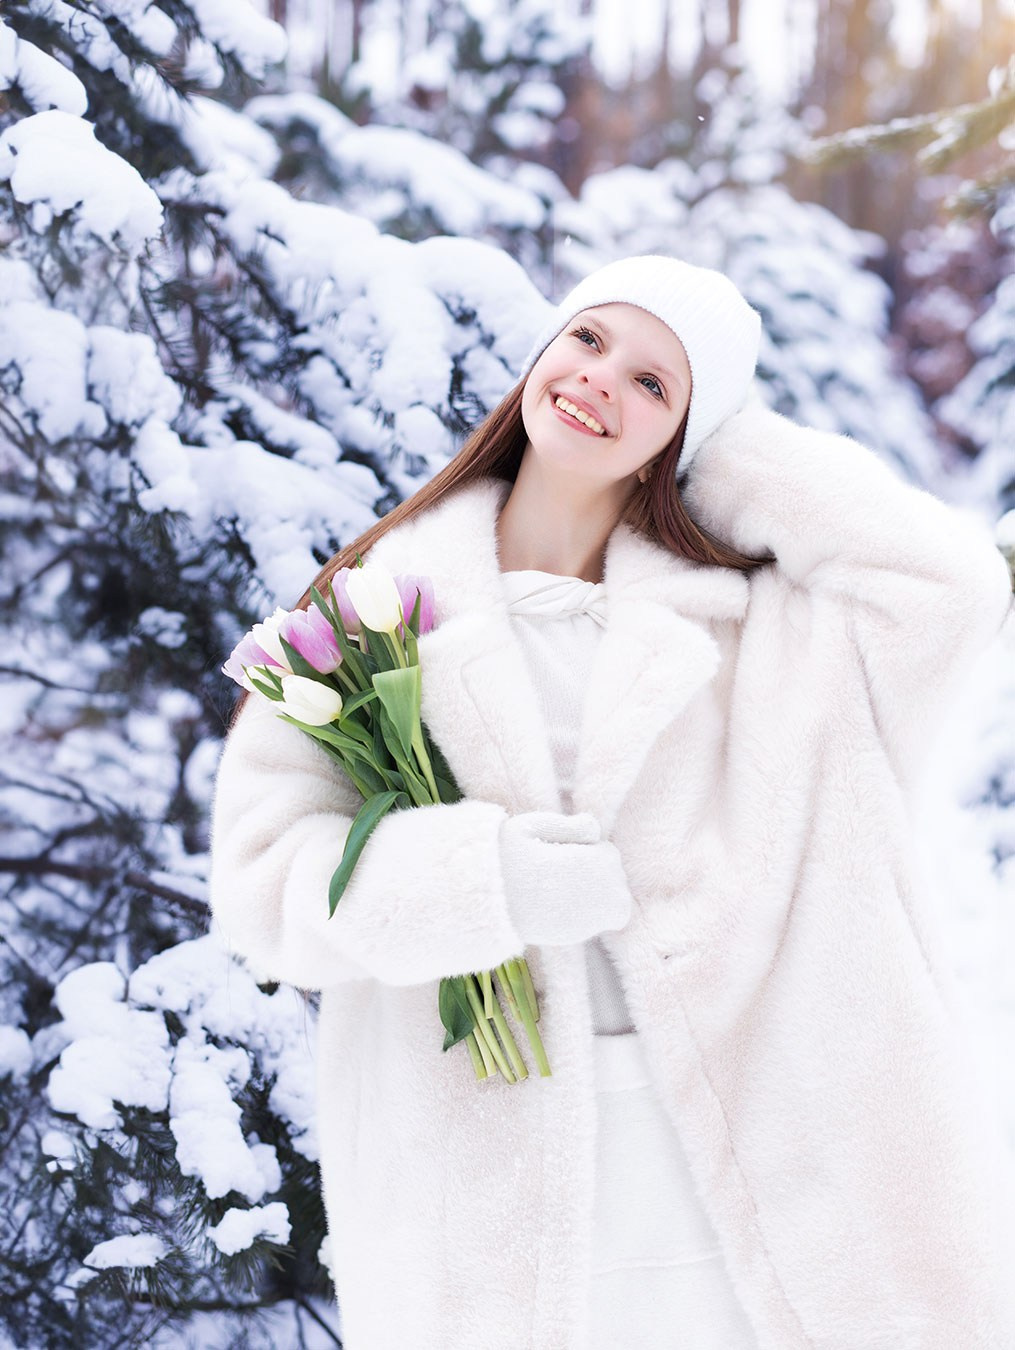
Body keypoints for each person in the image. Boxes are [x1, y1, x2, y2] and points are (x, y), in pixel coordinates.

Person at [208, 254, 1015, 1349]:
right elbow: (263, 887)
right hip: (485, 1191)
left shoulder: (766, 631)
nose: (599, 383)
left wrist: (713, 448)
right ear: (540, 351)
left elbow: (949, 589)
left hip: (745, 1171)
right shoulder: (373, 613)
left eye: (653, 384)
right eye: (588, 341)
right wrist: (479, 882)